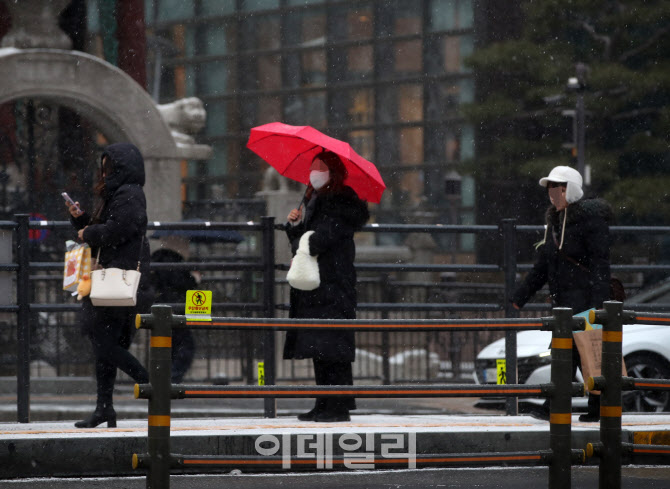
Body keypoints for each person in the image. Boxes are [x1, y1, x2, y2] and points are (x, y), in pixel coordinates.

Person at [512, 165, 612, 422]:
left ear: (573, 189)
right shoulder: (554, 224)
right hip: (564, 304)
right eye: (550, 187)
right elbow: (543, 267)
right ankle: (587, 407)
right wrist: (518, 297)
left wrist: (599, 306)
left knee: (579, 355)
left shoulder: (591, 221)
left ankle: (558, 406)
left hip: (585, 301)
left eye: (560, 186)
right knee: (576, 356)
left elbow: (601, 264)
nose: (553, 192)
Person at [67, 142, 152, 428]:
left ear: (120, 168)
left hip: (116, 276)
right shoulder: (118, 193)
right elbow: (109, 227)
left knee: (103, 343)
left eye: (108, 168)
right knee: (105, 344)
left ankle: (151, 383)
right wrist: (80, 219)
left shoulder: (128, 194)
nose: (103, 173)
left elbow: (120, 229)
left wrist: (88, 231)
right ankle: (104, 408)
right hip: (108, 275)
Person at [284, 151, 369, 422]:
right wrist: (295, 226)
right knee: (319, 348)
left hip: (333, 285)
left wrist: (305, 236)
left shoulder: (341, 203)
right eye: (313, 166)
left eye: (320, 167)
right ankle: (324, 402)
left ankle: (337, 406)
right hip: (319, 287)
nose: (314, 172)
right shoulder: (316, 201)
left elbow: (320, 242)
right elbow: (308, 244)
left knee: (333, 349)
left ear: (333, 172)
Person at [150, 248, 197, 383]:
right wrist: (194, 279)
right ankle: (172, 378)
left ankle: (164, 378)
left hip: (162, 307)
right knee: (185, 346)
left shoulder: (159, 260)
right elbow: (181, 284)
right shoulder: (174, 262)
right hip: (175, 307)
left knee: (168, 346)